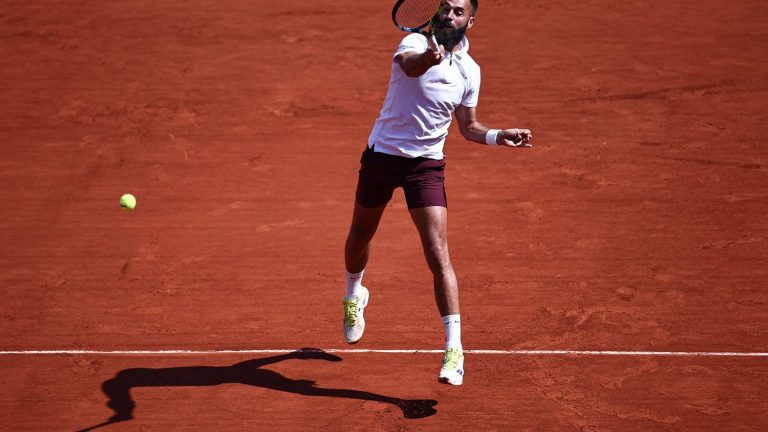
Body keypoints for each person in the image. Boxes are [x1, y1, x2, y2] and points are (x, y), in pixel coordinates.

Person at [342, 0, 532, 386]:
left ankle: (454, 350)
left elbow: (469, 127)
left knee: (438, 253)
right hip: (382, 157)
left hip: (425, 166)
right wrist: (430, 59)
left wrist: (498, 136)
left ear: (470, 21)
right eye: (444, 8)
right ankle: (354, 294)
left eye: (458, 11)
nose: (449, 15)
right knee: (359, 237)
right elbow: (411, 67)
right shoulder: (413, 43)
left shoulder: (470, 71)